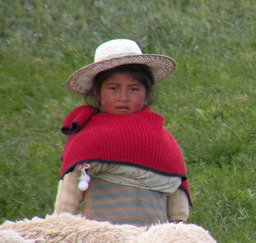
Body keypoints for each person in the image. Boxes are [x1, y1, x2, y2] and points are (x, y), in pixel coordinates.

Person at [55, 38, 191, 226]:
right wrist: (60, 226)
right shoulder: (88, 137)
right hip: (101, 241)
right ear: (97, 93)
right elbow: (69, 190)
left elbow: (177, 184)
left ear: (146, 94)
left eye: (133, 89)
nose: (123, 97)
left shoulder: (161, 139)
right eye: (113, 88)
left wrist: (178, 225)